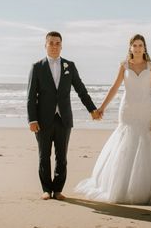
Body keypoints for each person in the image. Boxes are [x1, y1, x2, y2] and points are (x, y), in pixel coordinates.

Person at [75, 34, 151, 205]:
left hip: (146, 109)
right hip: (128, 110)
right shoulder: (124, 65)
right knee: (126, 142)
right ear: (130, 48)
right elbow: (115, 88)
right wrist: (101, 108)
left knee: (148, 143)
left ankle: (150, 188)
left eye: (140, 45)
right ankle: (121, 187)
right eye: (135, 45)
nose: (137, 48)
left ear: (145, 48)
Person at [27, 31, 101, 200]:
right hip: (43, 120)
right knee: (44, 156)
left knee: (62, 156)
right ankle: (46, 189)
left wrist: (92, 109)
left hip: (64, 119)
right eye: (51, 43)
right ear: (45, 45)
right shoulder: (37, 67)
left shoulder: (70, 66)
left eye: (57, 43)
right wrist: (32, 119)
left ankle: (58, 190)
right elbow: (31, 96)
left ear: (62, 45)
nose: (54, 46)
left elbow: (81, 90)